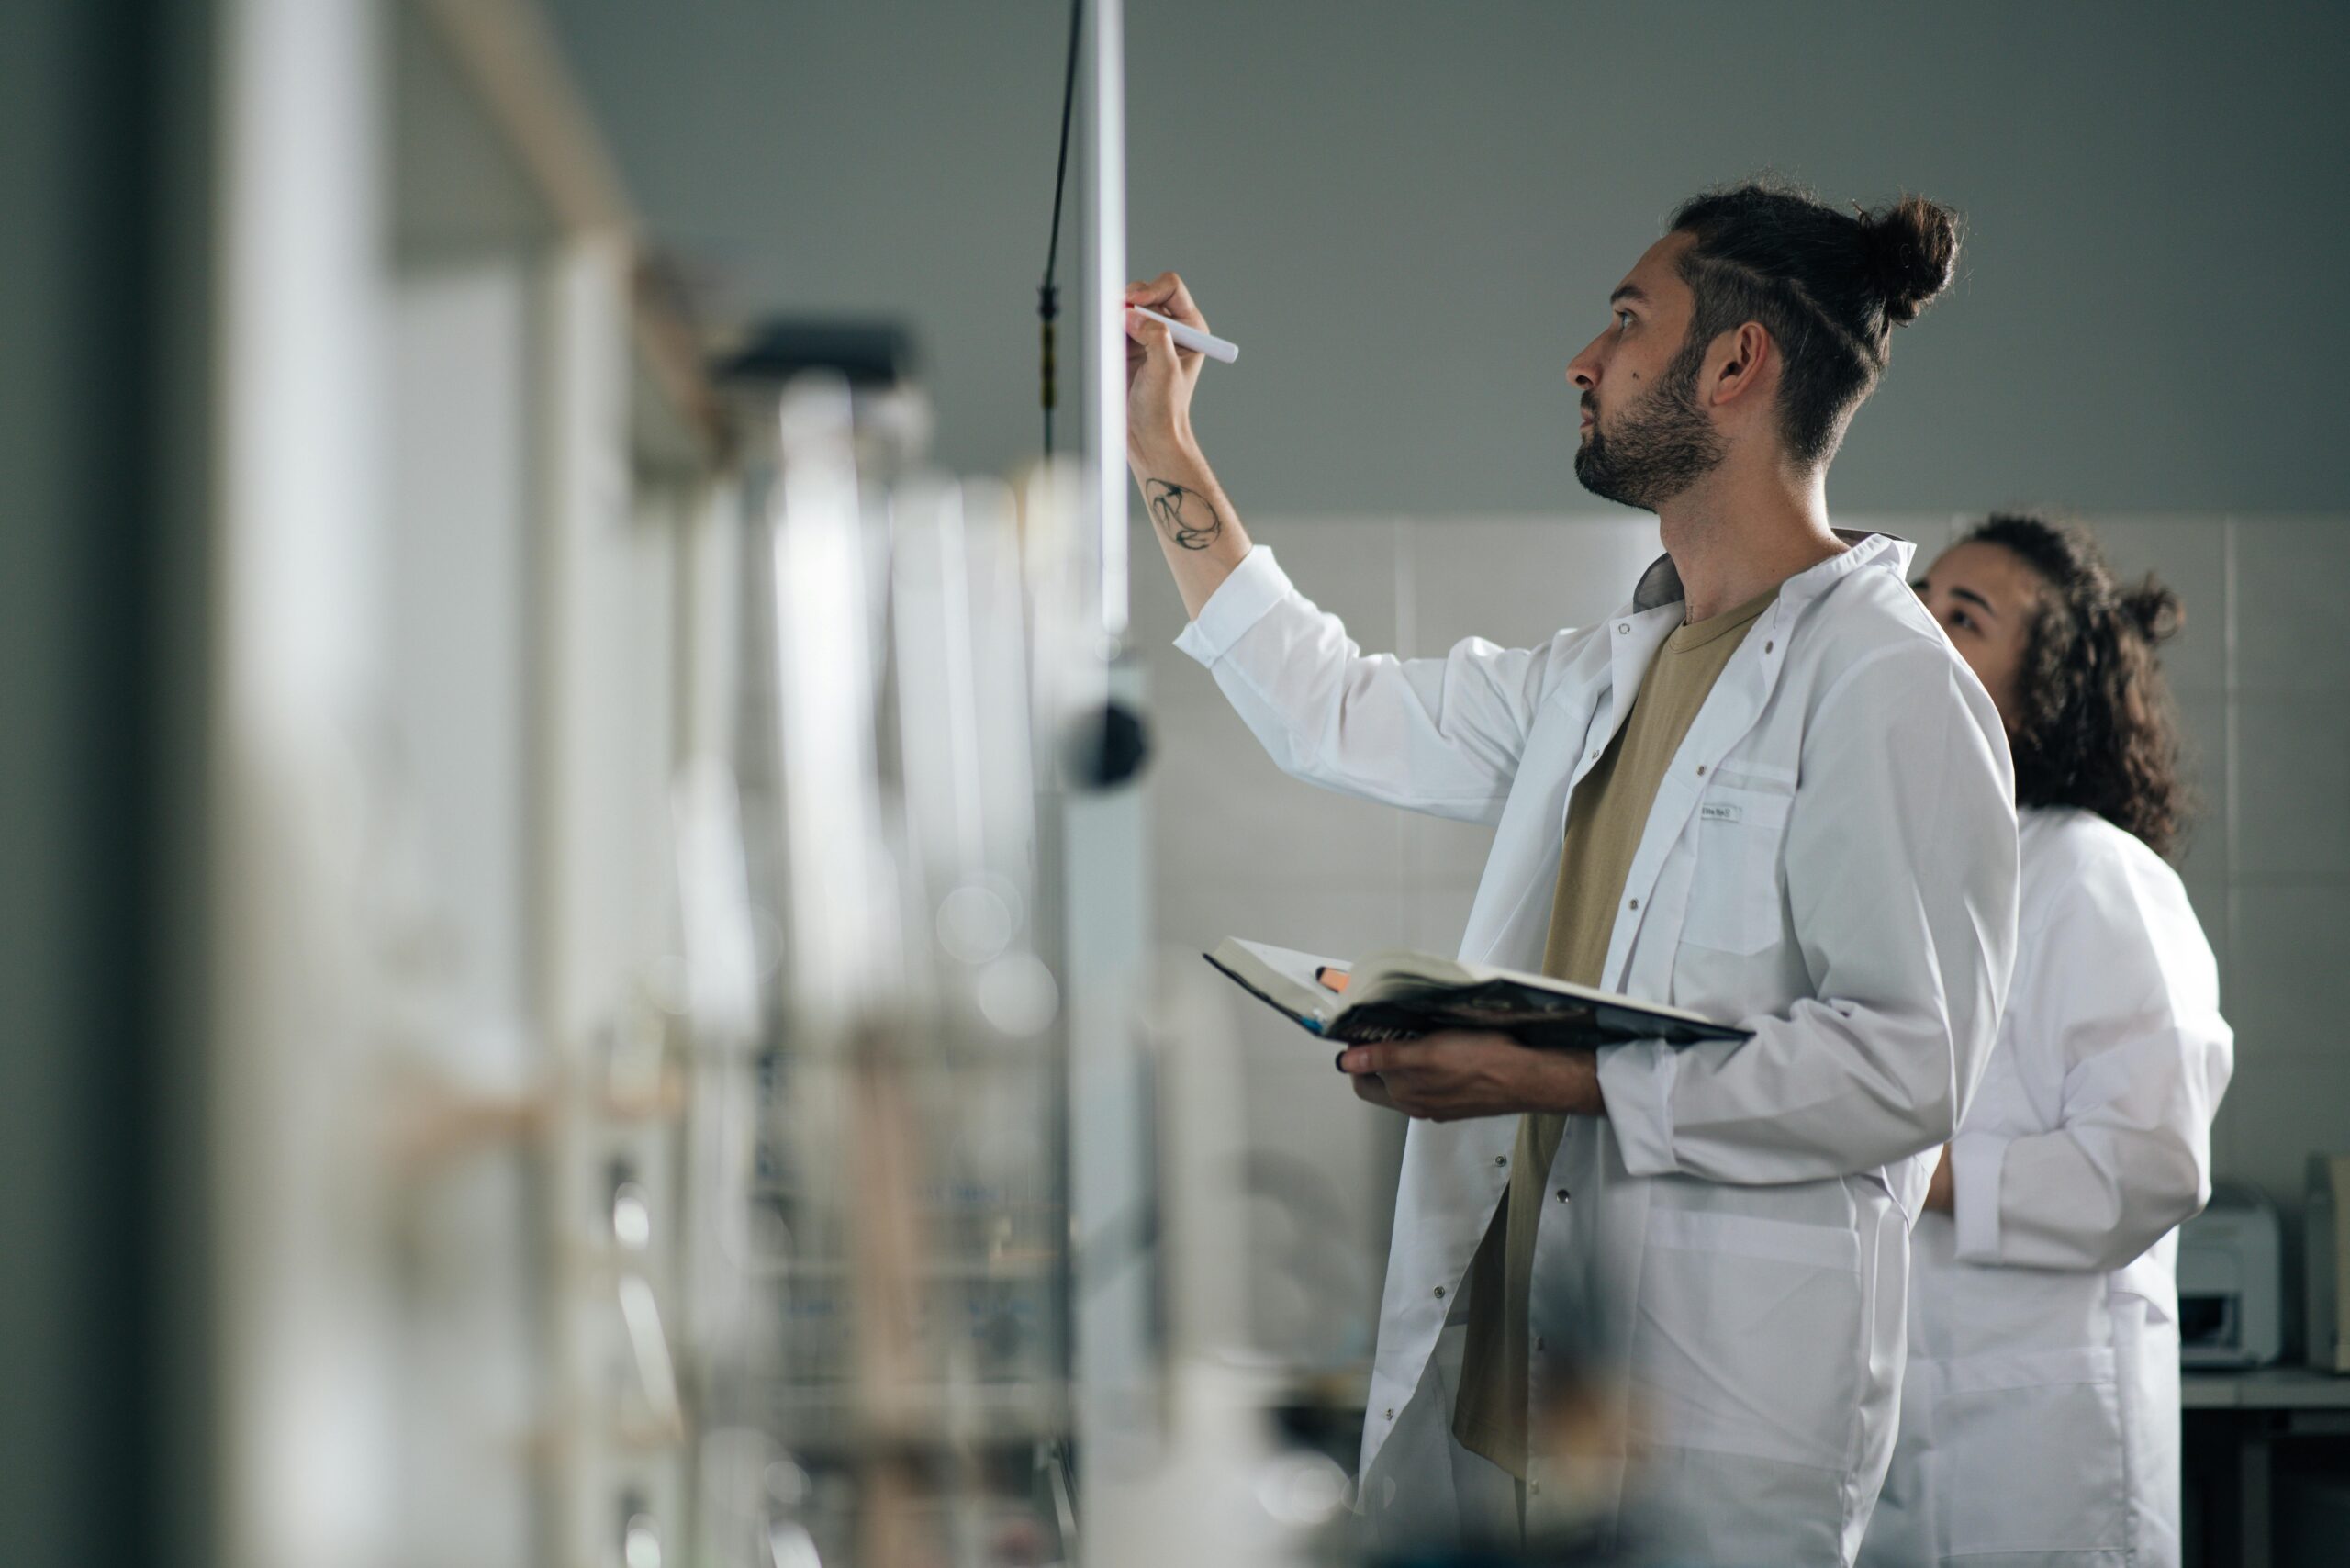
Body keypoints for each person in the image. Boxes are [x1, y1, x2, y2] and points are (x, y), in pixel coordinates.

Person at [1123, 180, 2019, 1566]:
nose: (1582, 363)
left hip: (1713, 1434)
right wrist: (1163, 449)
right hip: (1514, 1408)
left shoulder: (1889, 685)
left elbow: (1907, 1070)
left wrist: (1550, 1076)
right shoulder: (1609, 671)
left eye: (1624, 323)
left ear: (1736, 364)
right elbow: (1334, 707)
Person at [1862, 517, 2234, 1568]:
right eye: (1921, 597)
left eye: (1963, 617)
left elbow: (2149, 1168)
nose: (1920, 625)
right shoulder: (1901, 876)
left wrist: (1918, 1173)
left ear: (2044, 694)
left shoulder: (2092, 875)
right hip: (1908, 1452)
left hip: (2049, 1470)